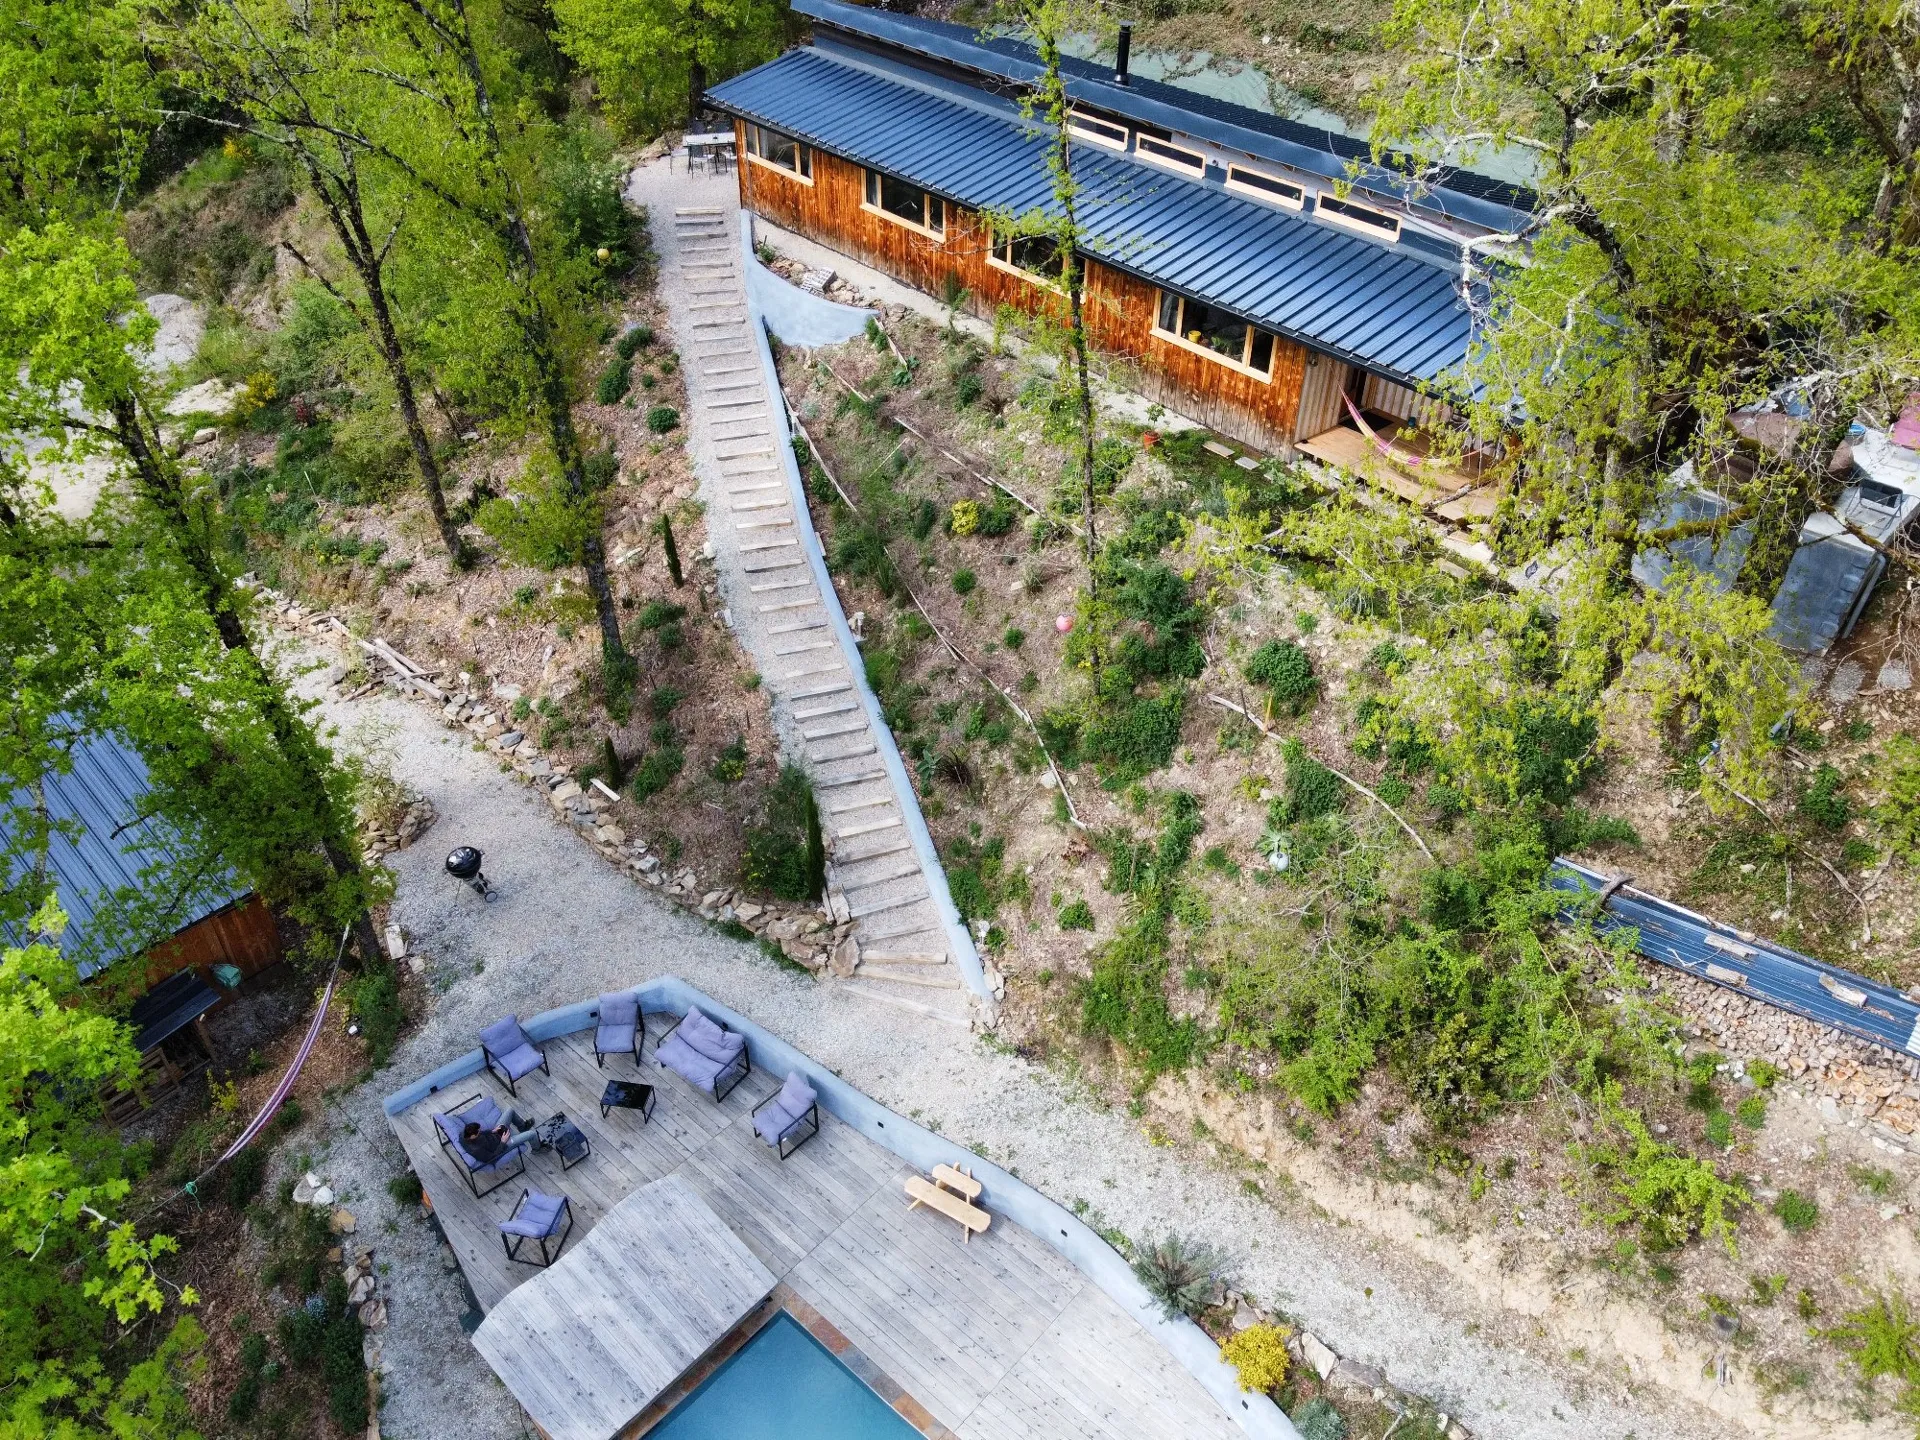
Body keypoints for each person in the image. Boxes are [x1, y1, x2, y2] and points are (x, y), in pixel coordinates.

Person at [461, 1118, 536, 1165]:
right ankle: (538, 1149)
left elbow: (482, 1133)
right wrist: (503, 1142)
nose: (481, 1131)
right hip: (502, 1146)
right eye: (479, 1131)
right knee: (532, 1133)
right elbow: (492, 1158)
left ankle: (522, 1127)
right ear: (473, 1136)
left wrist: (492, 1131)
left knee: (510, 1110)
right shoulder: (476, 1150)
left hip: (495, 1136)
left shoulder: (465, 1133)